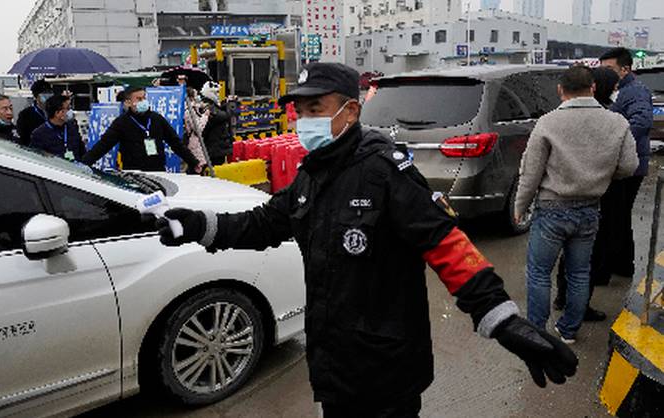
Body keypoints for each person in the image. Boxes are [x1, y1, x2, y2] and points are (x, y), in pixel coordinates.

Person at [156, 63, 579, 417]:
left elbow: (446, 244)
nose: (304, 120)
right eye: (299, 111)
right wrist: (195, 225)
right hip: (332, 362)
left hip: (386, 367)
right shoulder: (311, 174)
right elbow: (264, 223)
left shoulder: (385, 171)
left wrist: (501, 320)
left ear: (351, 111)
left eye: (315, 109)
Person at [515, 66, 638, 344]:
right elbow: (630, 166)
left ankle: (537, 334)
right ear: (592, 88)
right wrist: (601, 176)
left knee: (538, 273)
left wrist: (521, 205)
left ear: (561, 90)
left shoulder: (547, 123)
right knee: (580, 273)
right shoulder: (617, 122)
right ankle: (569, 330)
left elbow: (531, 172)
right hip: (590, 209)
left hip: (551, 209)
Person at [554, 66, 621, 320]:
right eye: (614, 87)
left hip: (562, 199)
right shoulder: (610, 119)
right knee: (585, 261)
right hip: (600, 196)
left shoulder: (558, 118)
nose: (616, 92)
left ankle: (562, 300)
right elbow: (628, 164)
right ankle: (576, 313)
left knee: (564, 257)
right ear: (595, 88)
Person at [599, 47, 654, 278]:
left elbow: (641, 122)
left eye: (609, 69)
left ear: (625, 69)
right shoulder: (619, 90)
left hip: (629, 166)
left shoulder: (634, 91)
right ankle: (622, 265)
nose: (606, 74)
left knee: (615, 218)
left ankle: (614, 266)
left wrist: (613, 141)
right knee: (618, 217)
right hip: (622, 163)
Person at [81, 86, 202, 172]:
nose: (143, 101)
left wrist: (193, 162)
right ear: (128, 102)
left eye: (144, 98)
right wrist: (84, 164)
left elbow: (175, 143)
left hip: (158, 171)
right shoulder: (121, 123)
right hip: (134, 174)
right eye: (138, 99)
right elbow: (103, 145)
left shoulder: (156, 119)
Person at [29, 94, 85, 161]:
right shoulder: (39, 134)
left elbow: (82, 151)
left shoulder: (72, 128)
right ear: (58, 113)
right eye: (68, 108)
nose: (70, 112)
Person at [200, 81, 233, 165]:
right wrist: (227, 104)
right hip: (214, 147)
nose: (218, 95)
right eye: (216, 92)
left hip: (214, 146)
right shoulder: (208, 106)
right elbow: (224, 116)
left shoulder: (209, 104)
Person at [17, 80, 54, 146]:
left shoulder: (56, 112)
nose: (48, 96)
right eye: (44, 94)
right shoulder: (25, 115)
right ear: (36, 96)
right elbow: (23, 138)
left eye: (50, 93)